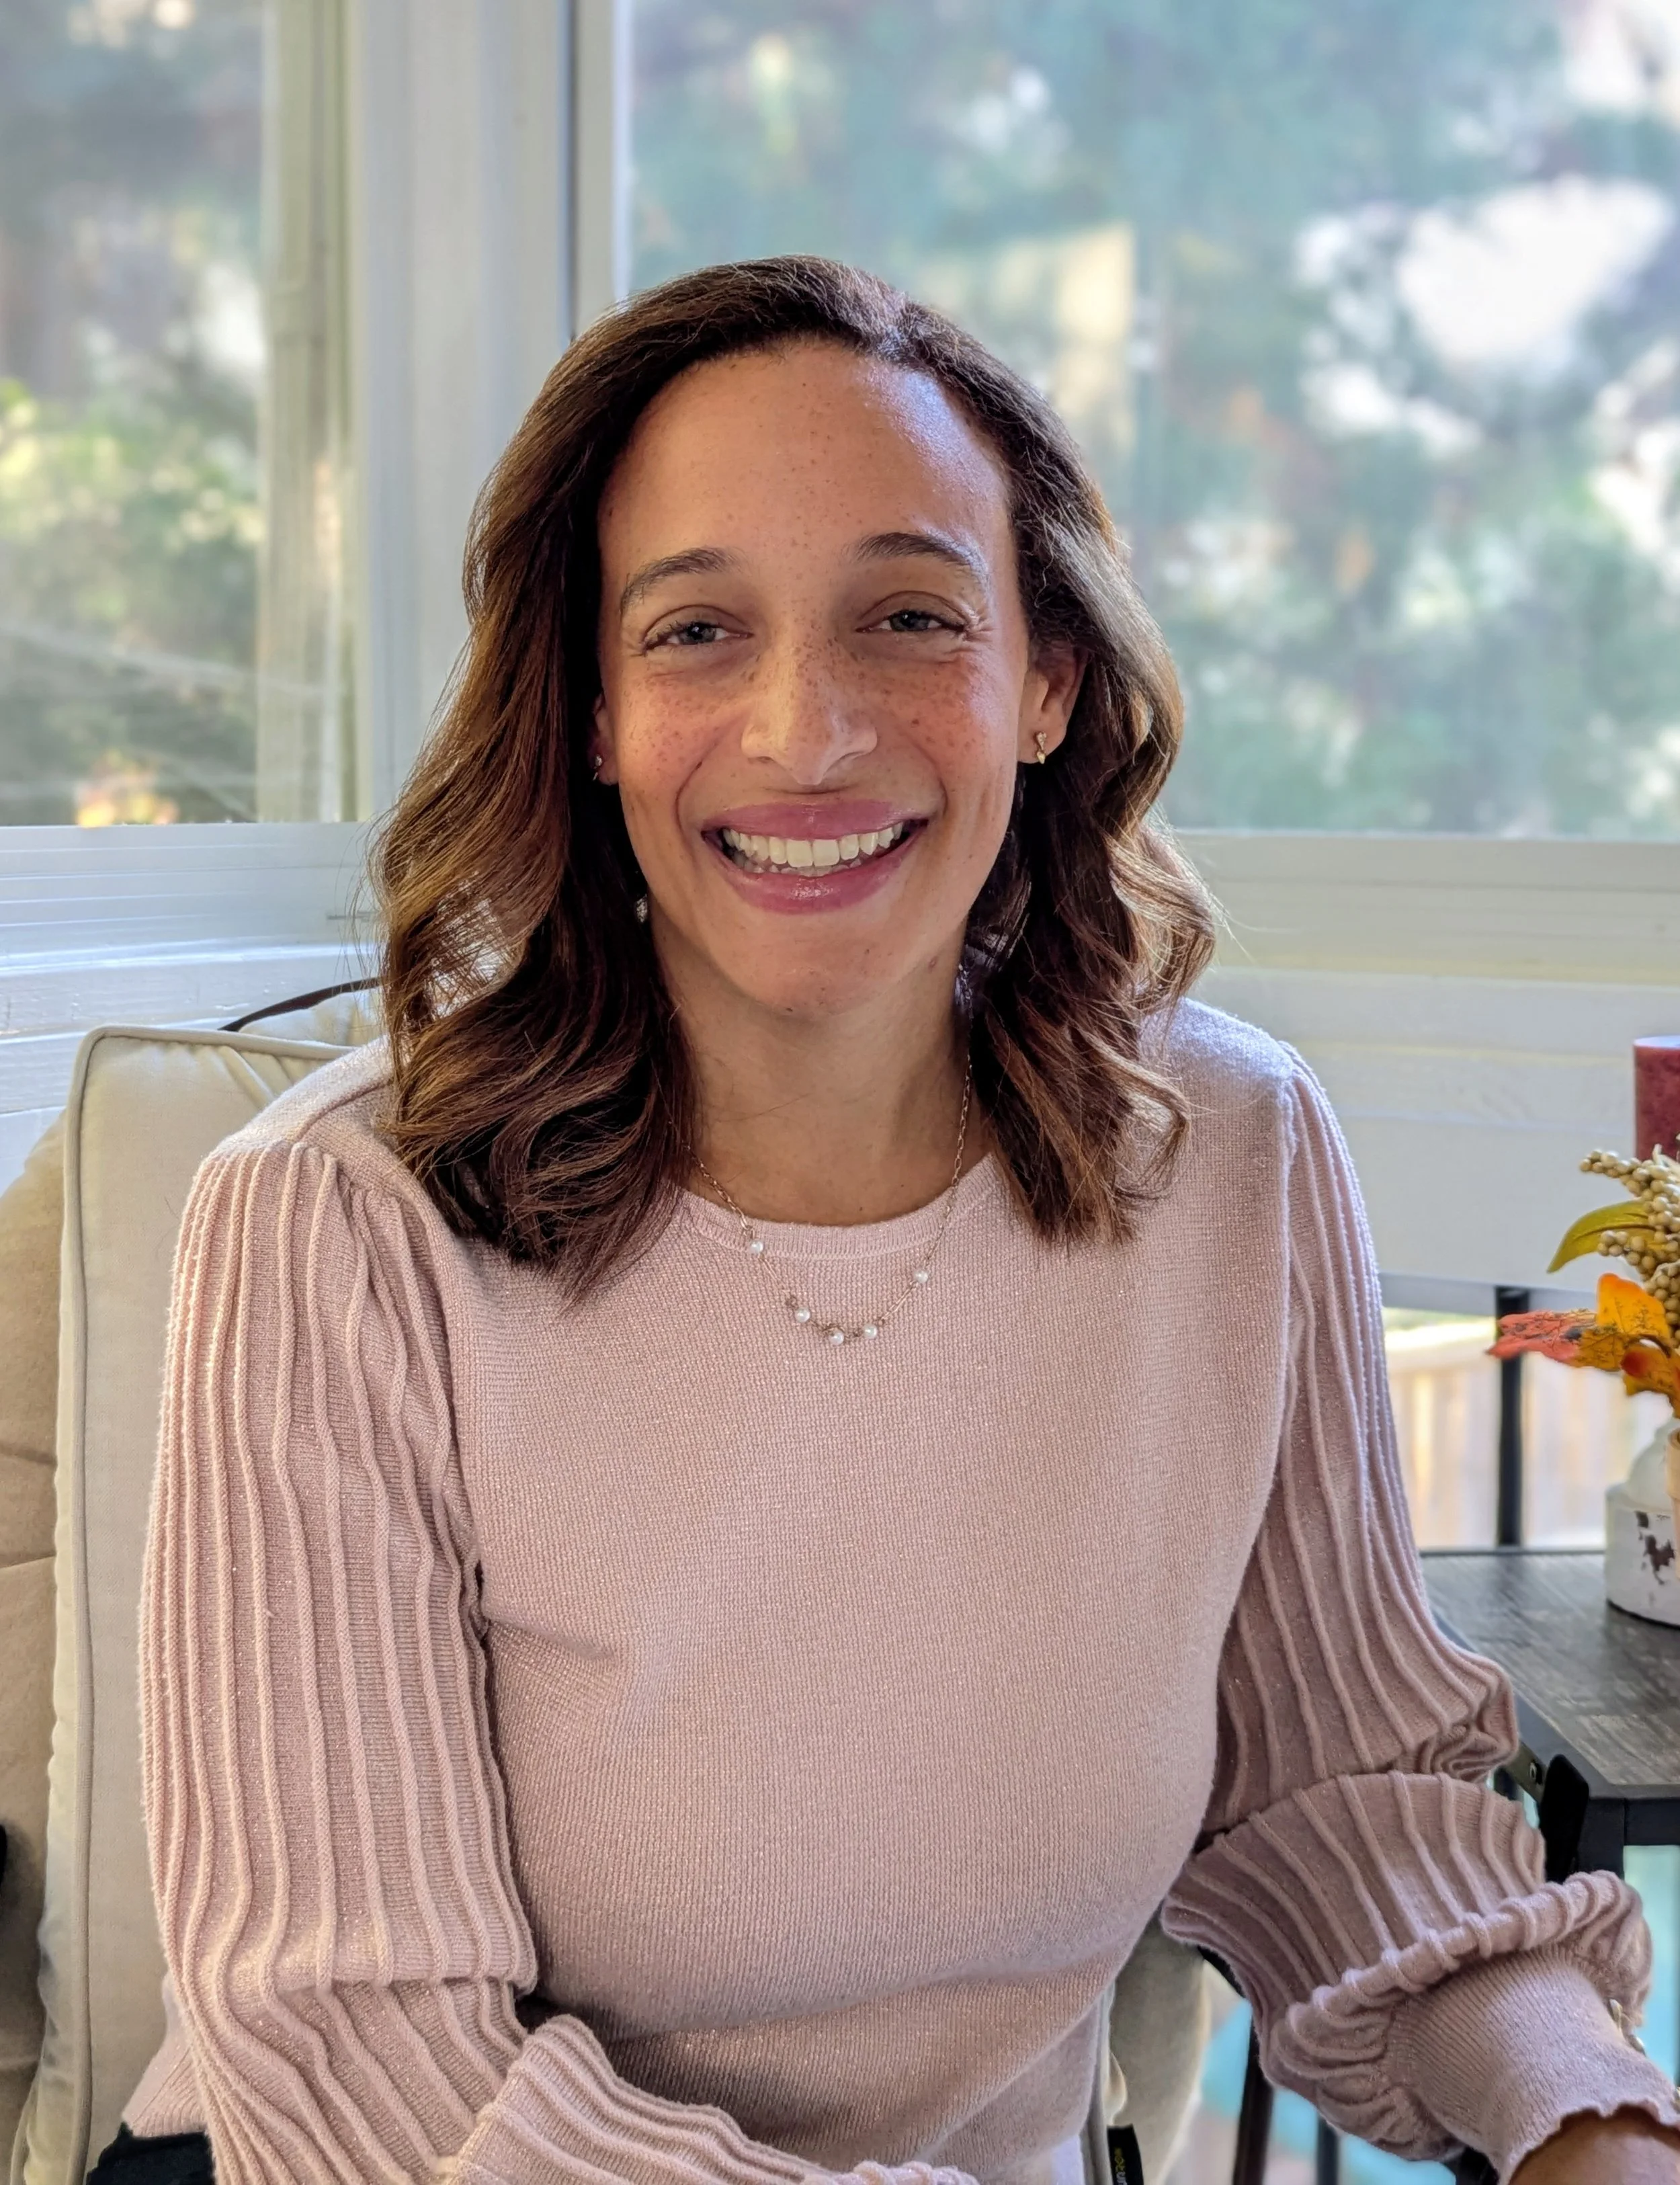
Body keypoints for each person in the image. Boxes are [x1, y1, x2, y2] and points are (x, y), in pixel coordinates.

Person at [112, 258, 1680, 2185]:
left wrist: (1587, 2121)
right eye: (694, 629)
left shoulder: (1231, 1151)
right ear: (591, 710)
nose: (804, 729)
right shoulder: (330, 1224)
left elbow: (1339, 1802)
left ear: (1043, 682)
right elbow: (358, 2060)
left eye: (908, 615)